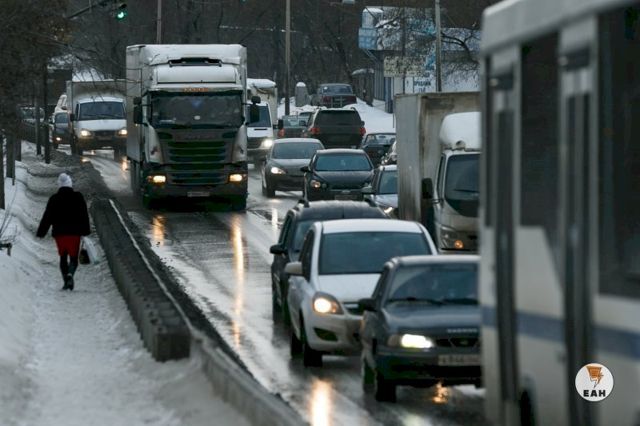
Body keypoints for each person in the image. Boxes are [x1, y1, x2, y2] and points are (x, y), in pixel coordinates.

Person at [36, 173, 91, 290]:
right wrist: (86, 230)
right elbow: (84, 215)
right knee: (73, 258)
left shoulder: (54, 199)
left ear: (59, 185)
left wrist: (41, 232)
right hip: (75, 234)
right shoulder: (78, 197)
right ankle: (70, 274)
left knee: (63, 257)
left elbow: (47, 217)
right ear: (70, 184)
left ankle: (66, 280)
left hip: (60, 234)